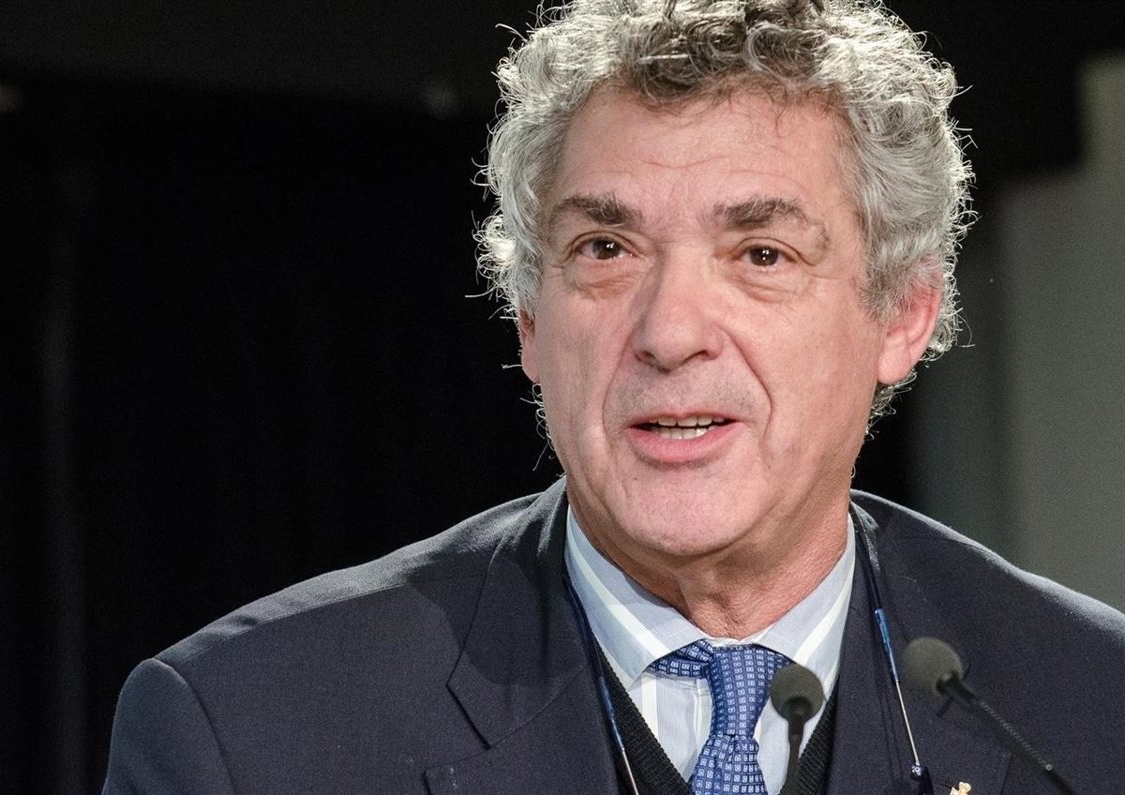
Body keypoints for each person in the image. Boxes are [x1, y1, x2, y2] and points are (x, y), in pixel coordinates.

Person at [102, 1, 1125, 793]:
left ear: (901, 315)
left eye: (761, 254)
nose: (670, 331)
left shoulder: (1090, 708)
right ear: (529, 319)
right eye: (605, 249)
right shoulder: (251, 735)